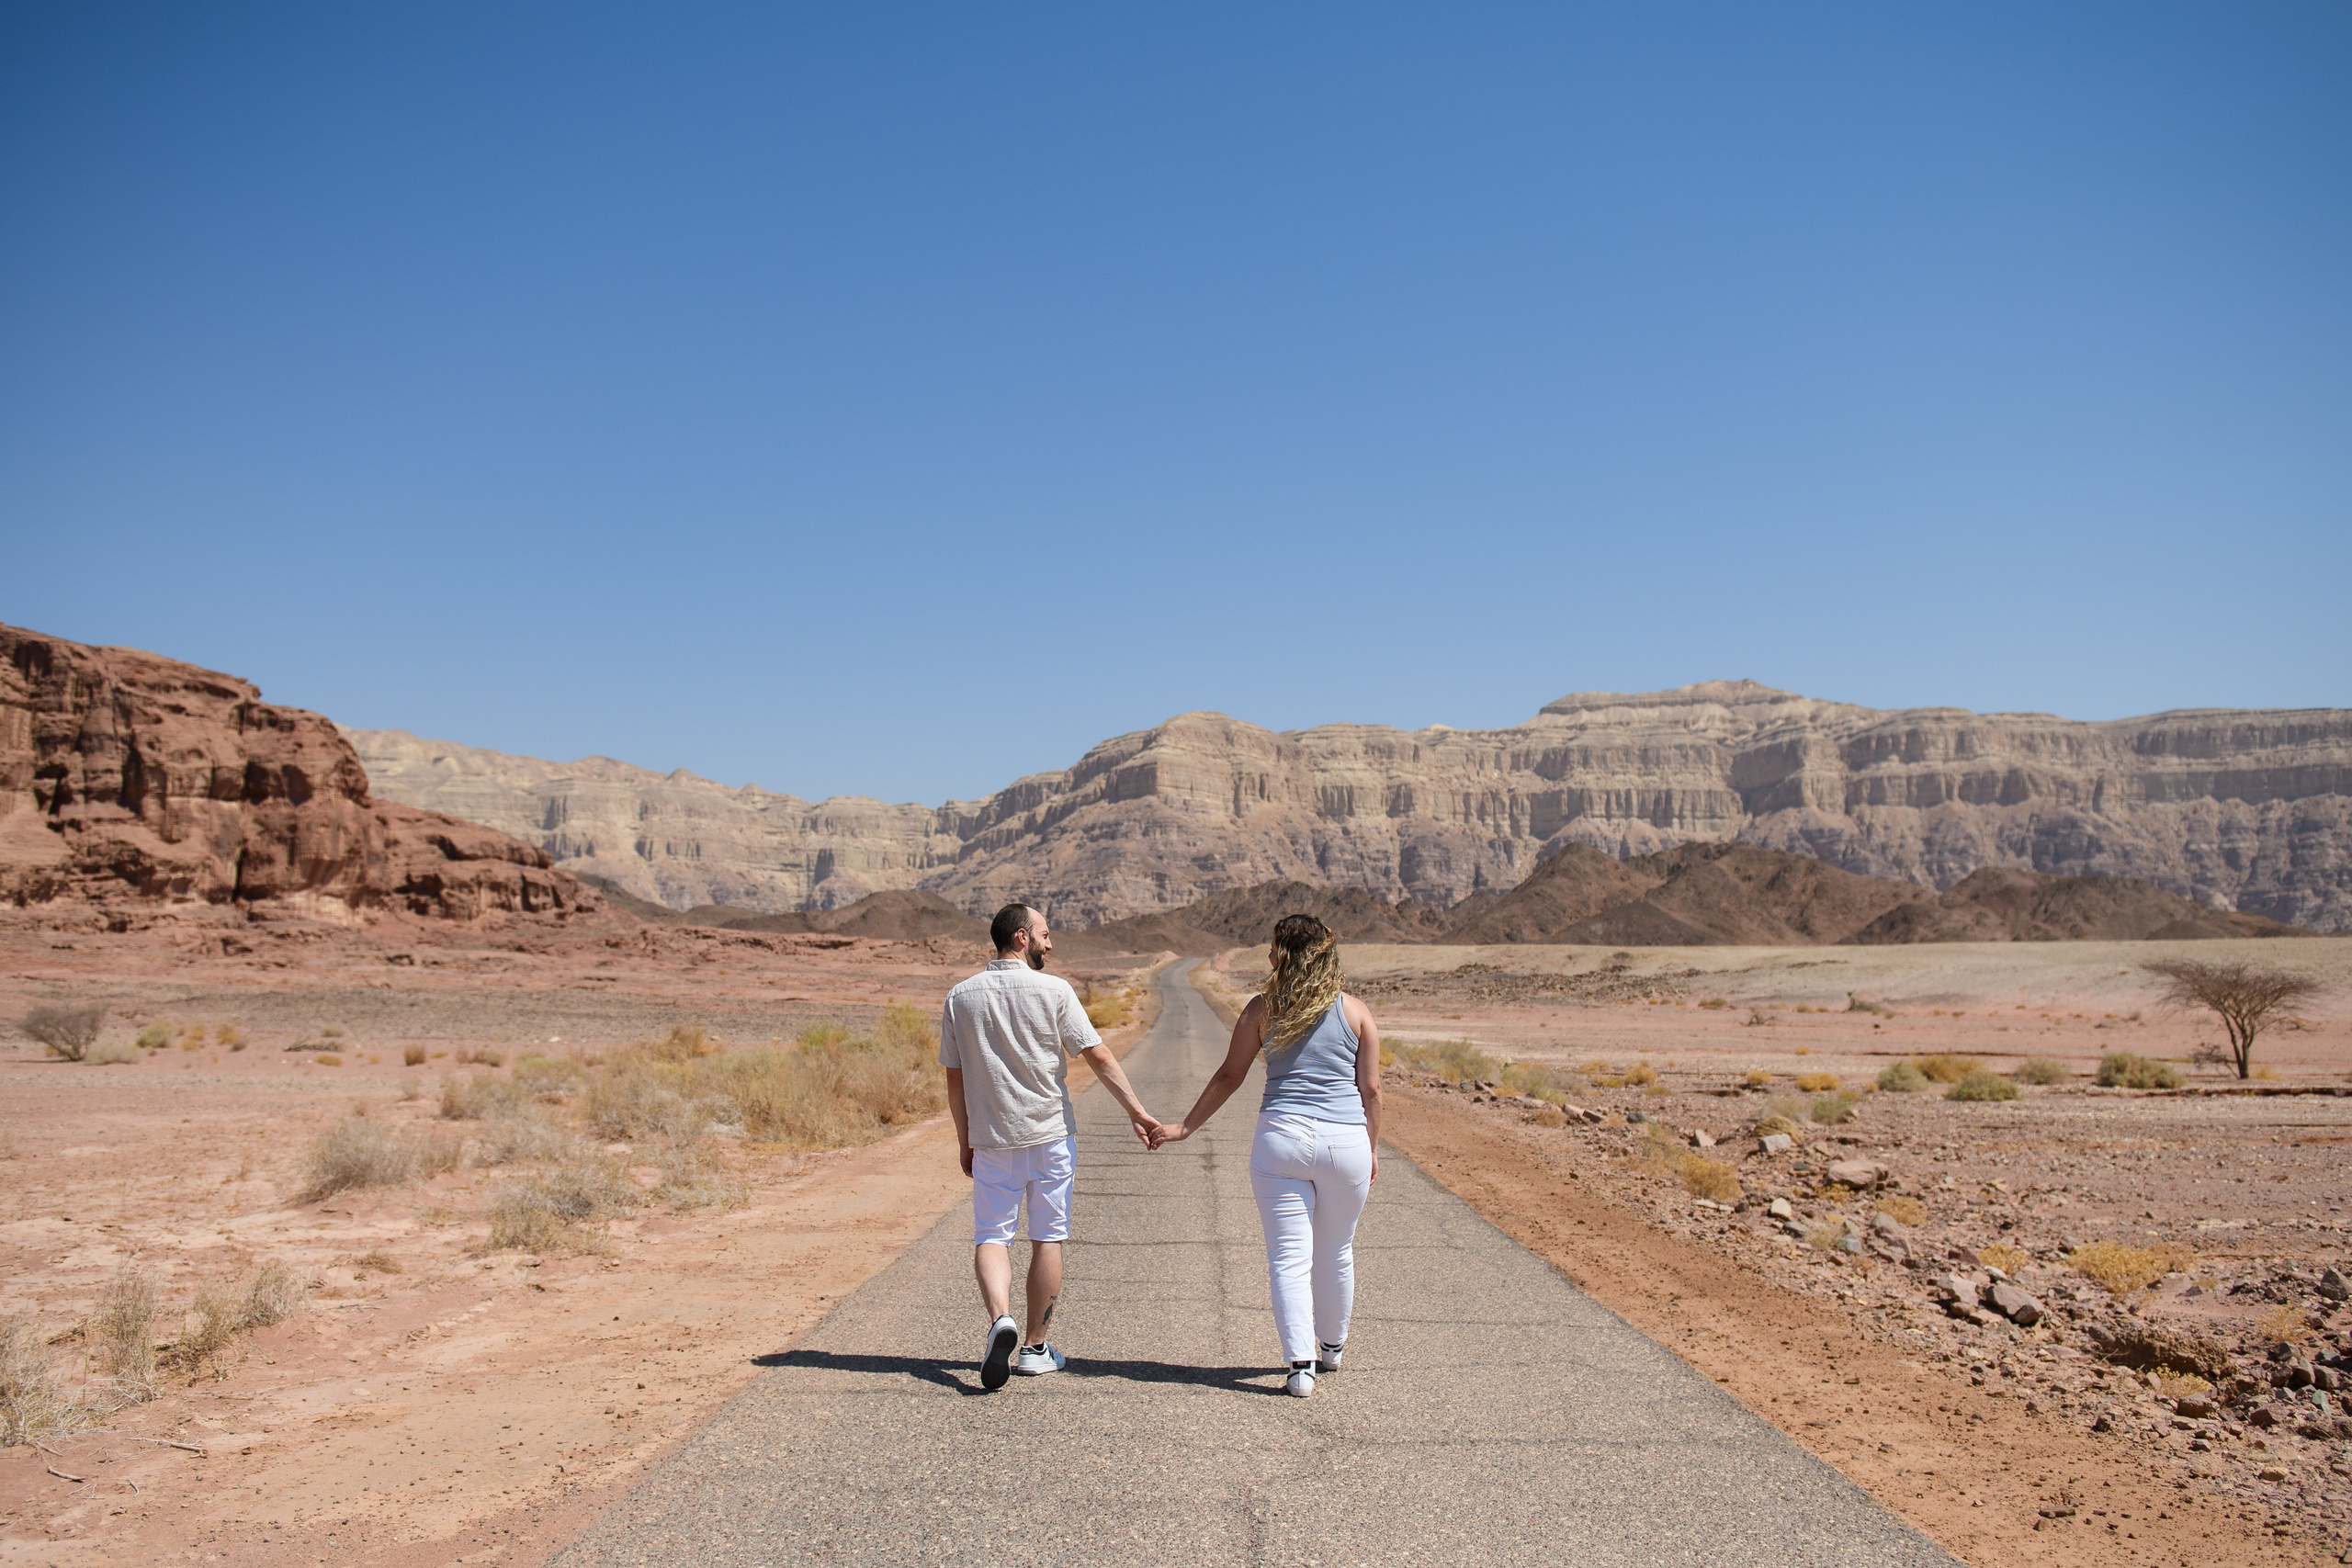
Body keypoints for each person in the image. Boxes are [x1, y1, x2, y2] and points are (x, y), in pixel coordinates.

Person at [1150, 913, 1380, 1397]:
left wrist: (1185, 1127)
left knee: (1288, 1256)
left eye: (1274, 948)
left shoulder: (1262, 1010)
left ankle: (1300, 1367)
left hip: (1283, 1140)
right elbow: (1372, 1089)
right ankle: (1332, 1348)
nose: (1269, 956)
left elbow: (1230, 1076)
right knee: (1336, 1250)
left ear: (1291, 955)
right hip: (1347, 1144)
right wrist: (1372, 1148)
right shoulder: (1356, 1012)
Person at [940, 901, 1159, 1391]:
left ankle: (1001, 1320)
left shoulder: (961, 996)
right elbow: (1098, 1056)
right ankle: (1036, 1348)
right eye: (1044, 934)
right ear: (1021, 937)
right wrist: (1136, 1111)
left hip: (993, 1139)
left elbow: (954, 1081)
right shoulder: (1055, 990)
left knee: (992, 1235)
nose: (1050, 943)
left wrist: (964, 1140)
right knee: (1048, 1236)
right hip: (1050, 1136)